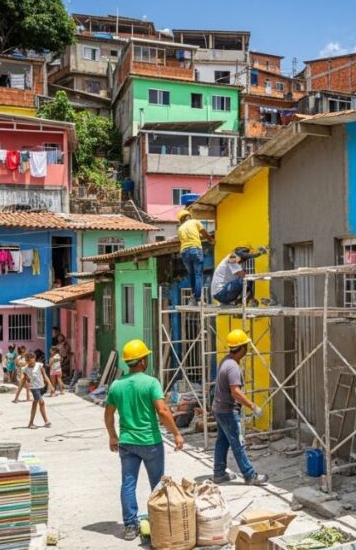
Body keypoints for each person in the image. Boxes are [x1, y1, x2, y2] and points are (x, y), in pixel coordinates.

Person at [104, 339, 184, 541]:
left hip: (127, 442)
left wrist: (113, 436)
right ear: (141, 361)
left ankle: (131, 526)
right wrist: (176, 433)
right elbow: (163, 411)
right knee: (157, 484)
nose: (147, 360)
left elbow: (108, 414)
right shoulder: (151, 383)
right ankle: (159, 522)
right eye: (146, 357)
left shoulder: (116, 385)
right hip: (150, 442)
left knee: (128, 483)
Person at [213, 329, 268, 486]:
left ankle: (219, 473)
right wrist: (252, 406)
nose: (247, 348)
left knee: (222, 441)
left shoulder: (225, 361)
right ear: (242, 348)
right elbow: (235, 392)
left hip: (218, 408)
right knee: (237, 443)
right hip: (227, 411)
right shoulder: (233, 367)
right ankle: (250, 475)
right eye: (246, 345)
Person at [177, 209, 213, 303]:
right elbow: (204, 233)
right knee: (198, 275)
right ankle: (197, 298)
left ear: (181, 220)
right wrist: (211, 240)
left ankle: (193, 297)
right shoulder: (194, 222)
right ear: (189, 216)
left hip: (184, 252)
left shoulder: (180, 228)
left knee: (191, 275)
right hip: (195, 249)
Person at [20, 353, 52, 429]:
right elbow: (23, 380)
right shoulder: (25, 369)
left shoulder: (39, 365)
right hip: (34, 388)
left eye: (31, 358)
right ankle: (46, 421)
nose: (29, 360)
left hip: (41, 387)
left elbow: (45, 375)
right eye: (27, 359)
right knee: (41, 402)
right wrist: (18, 393)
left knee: (35, 404)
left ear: (34, 358)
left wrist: (51, 385)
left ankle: (31, 423)